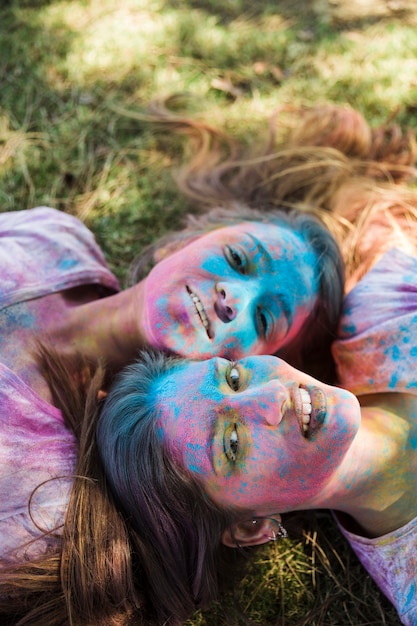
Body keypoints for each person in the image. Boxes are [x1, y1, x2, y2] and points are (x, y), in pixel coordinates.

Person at [0, 101, 416, 626]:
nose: (230, 297)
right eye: (239, 259)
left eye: (263, 320)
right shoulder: (52, 240)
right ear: (182, 242)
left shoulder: (47, 489)